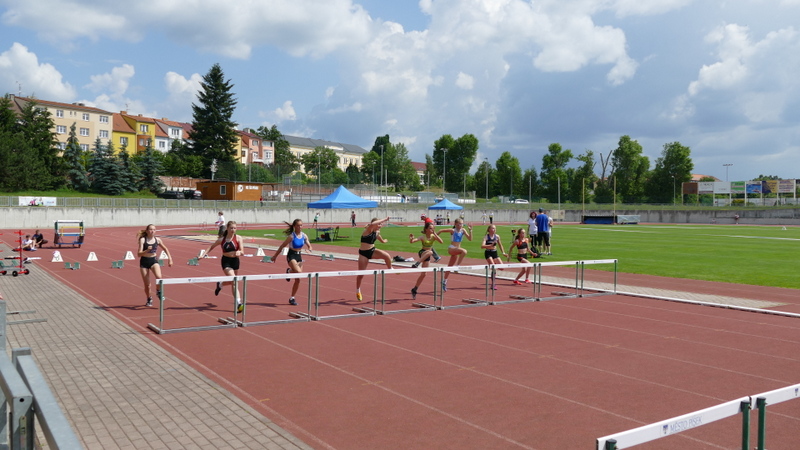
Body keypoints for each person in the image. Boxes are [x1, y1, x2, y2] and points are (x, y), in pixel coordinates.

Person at [203, 221, 245, 313]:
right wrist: (203, 254)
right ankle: (238, 303)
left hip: (235, 261)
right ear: (227, 228)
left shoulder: (238, 238)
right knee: (234, 280)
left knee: (233, 282)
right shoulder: (222, 240)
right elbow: (211, 247)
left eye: (235, 228)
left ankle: (220, 284)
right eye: (231, 228)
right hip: (226, 262)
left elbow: (242, 251)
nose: (233, 230)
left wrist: (240, 252)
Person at [272, 219, 313, 306]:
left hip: (299, 256)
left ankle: (292, 298)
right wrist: (275, 256)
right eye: (298, 225)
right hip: (291, 255)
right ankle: (290, 271)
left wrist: (309, 250)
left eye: (301, 225)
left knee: (298, 279)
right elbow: (282, 246)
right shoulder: (291, 236)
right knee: (298, 271)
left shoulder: (304, 236)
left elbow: (309, 246)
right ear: (294, 226)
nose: (300, 227)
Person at [355, 217, 393, 301]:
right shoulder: (368, 230)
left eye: (381, 224)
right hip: (363, 254)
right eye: (378, 224)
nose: (380, 225)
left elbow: (379, 237)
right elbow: (372, 224)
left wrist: (383, 241)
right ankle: (358, 290)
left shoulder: (377, 232)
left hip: (372, 251)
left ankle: (390, 269)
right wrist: (384, 219)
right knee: (361, 275)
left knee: (387, 256)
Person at [137, 224, 173, 307]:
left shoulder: (158, 240)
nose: (152, 231)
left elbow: (165, 248)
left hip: (153, 260)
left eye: (154, 229)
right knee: (147, 285)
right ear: (147, 231)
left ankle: (158, 291)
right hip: (144, 262)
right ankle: (149, 298)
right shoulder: (143, 240)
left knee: (159, 277)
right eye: (150, 229)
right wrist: (146, 250)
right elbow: (139, 254)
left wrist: (170, 259)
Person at [408, 222, 444, 299]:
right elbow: (412, 241)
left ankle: (415, 289)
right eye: (430, 228)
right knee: (431, 252)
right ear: (426, 229)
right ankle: (417, 263)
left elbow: (441, 242)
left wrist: (435, 234)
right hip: (422, 253)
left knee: (424, 274)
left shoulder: (433, 236)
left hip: (427, 256)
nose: (432, 230)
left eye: (433, 228)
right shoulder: (423, 237)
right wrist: (411, 238)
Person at [438, 218, 473, 292]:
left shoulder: (463, 230)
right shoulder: (453, 230)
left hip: (457, 250)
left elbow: (470, 239)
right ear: (455, 224)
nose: (460, 225)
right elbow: (441, 230)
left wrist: (470, 230)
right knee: (464, 251)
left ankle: (444, 281)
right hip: (451, 248)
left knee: (449, 267)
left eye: (462, 224)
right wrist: (435, 236)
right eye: (459, 224)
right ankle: (457, 266)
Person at [481, 224, 507, 290]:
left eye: (495, 228)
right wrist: (490, 245)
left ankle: (494, 266)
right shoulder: (486, 237)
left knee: (502, 267)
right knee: (493, 267)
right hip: (488, 253)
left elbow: (500, 245)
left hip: (494, 253)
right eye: (492, 228)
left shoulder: (497, 236)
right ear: (489, 229)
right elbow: (482, 246)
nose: (494, 230)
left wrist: (503, 252)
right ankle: (493, 284)